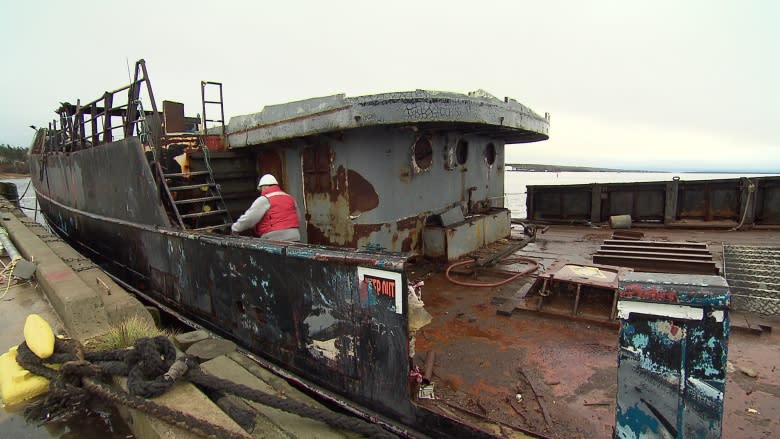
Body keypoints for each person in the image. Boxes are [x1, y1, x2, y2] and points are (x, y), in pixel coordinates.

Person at [231, 174, 301, 241]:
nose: (261, 191)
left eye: (260, 189)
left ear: (264, 187)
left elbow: (249, 219)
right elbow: (298, 217)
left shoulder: (265, 199)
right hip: (295, 237)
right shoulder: (290, 198)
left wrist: (235, 228)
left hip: (274, 238)